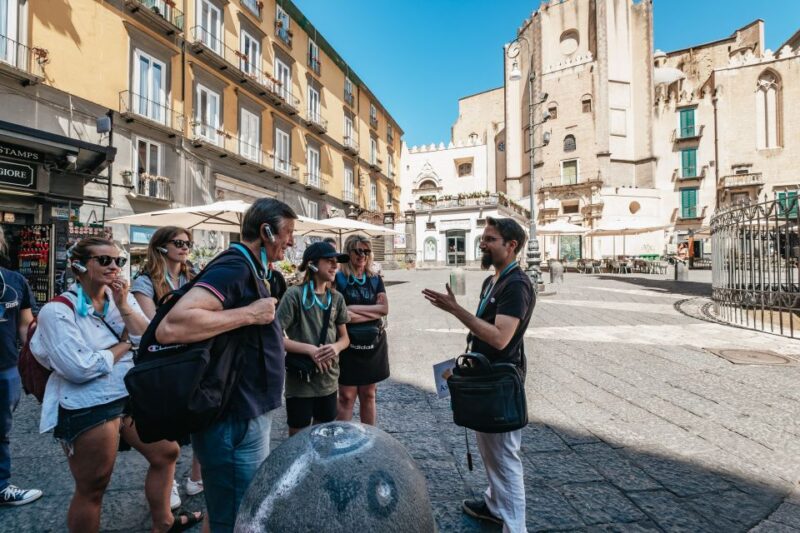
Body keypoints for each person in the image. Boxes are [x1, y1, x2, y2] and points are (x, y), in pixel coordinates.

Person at [30, 237, 201, 532]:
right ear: (79, 266)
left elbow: (147, 338)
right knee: (94, 485)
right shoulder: (57, 311)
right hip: (88, 403)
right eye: (104, 260)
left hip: (126, 395)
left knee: (166, 452)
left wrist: (123, 306)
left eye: (118, 261)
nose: (114, 266)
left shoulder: (120, 298)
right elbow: (79, 368)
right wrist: (123, 346)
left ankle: (163, 522)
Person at [156, 198, 296, 532]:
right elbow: (171, 326)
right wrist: (250, 314)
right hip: (233, 417)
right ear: (266, 231)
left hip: (245, 412)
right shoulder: (234, 266)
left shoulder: (251, 267)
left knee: (237, 508)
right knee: (237, 516)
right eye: (288, 233)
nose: (291, 242)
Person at [422, 217, 534, 533]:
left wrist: (456, 310)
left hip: (500, 381)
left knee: (505, 457)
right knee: (490, 451)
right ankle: (494, 505)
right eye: (483, 238)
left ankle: (515, 528)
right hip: (486, 377)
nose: (482, 244)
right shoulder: (492, 281)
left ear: (511, 245)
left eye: (490, 239)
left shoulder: (516, 285)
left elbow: (500, 338)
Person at [131, 227, 202, 506]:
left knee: (201, 417)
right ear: (161, 246)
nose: (185, 248)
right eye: (178, 243)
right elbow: (154, 326)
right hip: (161, 359)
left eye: (187, 243)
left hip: (191, 355)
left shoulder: (192, 276)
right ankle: (168, 482)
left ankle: (197, 477)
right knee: (166, 424)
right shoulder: (145, 282)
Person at [277, 242, 350, 436]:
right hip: (301, 382)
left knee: (323, 437)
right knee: (298, 439)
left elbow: (345, 339)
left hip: (328, 381)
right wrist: (310, 350)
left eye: (336, 261)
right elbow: (274, 337)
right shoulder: (294, 295)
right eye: (329, 261)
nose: (335, 265)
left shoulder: (337, 298)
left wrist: (336, 347)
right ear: (312, 264)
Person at [0, 226, 41, 506]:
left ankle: (1, 486)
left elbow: (26, 326)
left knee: (1, 430)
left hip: (5, 368)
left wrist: (38, 361)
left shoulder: (14, 280)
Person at [334, 234, 389, 425]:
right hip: (347, 342)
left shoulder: (374, 279)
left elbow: (384, 309)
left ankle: (369, 439)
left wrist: (352, 309)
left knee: (369, 394)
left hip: (372, 343)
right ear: (348, 252)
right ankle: (342, 440)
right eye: (358, 251)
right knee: (346, 396)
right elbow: (340, 315)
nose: (362, 255)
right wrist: (371, 312)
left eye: (366, 251)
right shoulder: (339, 279)